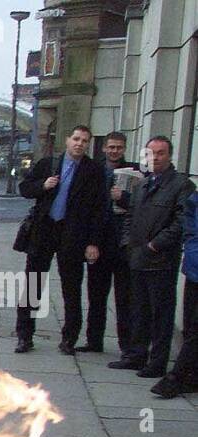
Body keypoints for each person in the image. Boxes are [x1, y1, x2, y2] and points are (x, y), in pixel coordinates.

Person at [14, 125, 107, 355]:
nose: (79, 144)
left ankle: (69, 338)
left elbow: (99, 209)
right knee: (33, 284)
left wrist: (93, 242)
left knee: (71, 288)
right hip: (44, 230)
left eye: (84, 141)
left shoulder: (93, 170)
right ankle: (24, 335)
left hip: (73, 234)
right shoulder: (49, 164)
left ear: (88, 144)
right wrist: (42, 185)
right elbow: (24, 188)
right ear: (67, 140)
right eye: (76, 139)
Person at [108, 136, 195, 378]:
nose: (155, 158)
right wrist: (128, 244)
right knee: (138, 311)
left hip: (161, 261)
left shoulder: (181, 185)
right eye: (151, 153)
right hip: (137, 258)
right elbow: (129, 216)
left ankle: (157, 363)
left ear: (170, 156)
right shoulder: (143, 184)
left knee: (161, 315)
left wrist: (156, 245)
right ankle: (136, 356)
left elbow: (181, 222)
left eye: (161, 153)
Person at [83, 131, 139, 353]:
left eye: (119, 147)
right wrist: (90, 243)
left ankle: (126, 345)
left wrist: (123, 198)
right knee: (96, 295)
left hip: (124, 244)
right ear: (104, 148)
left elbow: (141, 205)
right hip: (99, 241)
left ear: (124, 149)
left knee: (124, 299)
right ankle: (93, 341)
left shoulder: (134, 172)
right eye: (111, 147)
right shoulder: (94, 171)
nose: (115, 151)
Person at [152, 188, 198, 398]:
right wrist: (191, 246)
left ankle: (175, 377)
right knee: (189, 325)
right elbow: (190, 221)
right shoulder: (195, 198)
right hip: (194, 268)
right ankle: (192, 377)